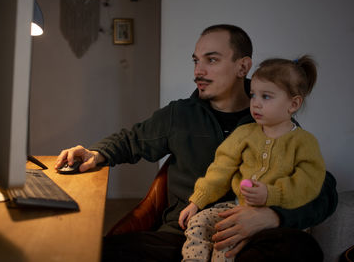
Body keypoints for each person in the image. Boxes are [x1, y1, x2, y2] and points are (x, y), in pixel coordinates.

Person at [55, 24, 337, 261]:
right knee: (95, 253)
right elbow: (131, 141)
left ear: (243, 66)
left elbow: (322, 191)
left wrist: (272, 216)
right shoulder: (179, 115)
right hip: (181, 238)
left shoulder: (275, 122)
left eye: (211, 60)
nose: (198, 72)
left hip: (251, 239)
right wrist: (96, 152)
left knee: (302, 250)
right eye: (196, 61)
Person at [179, 56, 326, 262]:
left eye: (266, 97)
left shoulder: (304, 143)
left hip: (278, 216)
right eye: (253, 95)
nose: (255, 103)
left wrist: (271, 193)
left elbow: (309, 183)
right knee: (199, 223)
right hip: (238, 207)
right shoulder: (244, 133)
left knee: (226, 242)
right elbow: (221, 168)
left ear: (293, 104)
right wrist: (197, 200)